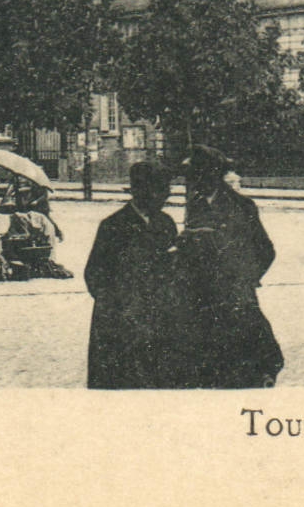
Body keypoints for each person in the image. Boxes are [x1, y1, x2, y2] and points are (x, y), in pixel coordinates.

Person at [177, 145, 283, 389]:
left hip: (234, 298)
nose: (191, 180)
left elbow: (265, 250)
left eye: (195, 174)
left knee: (240, 365)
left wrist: (246, 277)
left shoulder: (242, 206)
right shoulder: (196, 203)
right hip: (200, 298)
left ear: (212, 174)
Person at [84, 163, 182, 389]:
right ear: (142, 190)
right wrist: (121, 306)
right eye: (161, 190)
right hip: (121, 326)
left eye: (167, 190)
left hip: (158, 322)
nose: (166, 196)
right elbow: (95, 276)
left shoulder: (165, 223)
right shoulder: (113, 226)